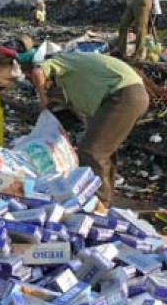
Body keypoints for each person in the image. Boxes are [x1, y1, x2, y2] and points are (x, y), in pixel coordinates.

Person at [28, 52, 149, 210]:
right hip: (131, 95)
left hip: (123, 95)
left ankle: (98, 205)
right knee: (103, 151)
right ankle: (105, 201)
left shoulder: (61, 60)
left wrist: (43, 98)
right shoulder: (80, 78)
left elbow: (37, 72)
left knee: (91, 152)